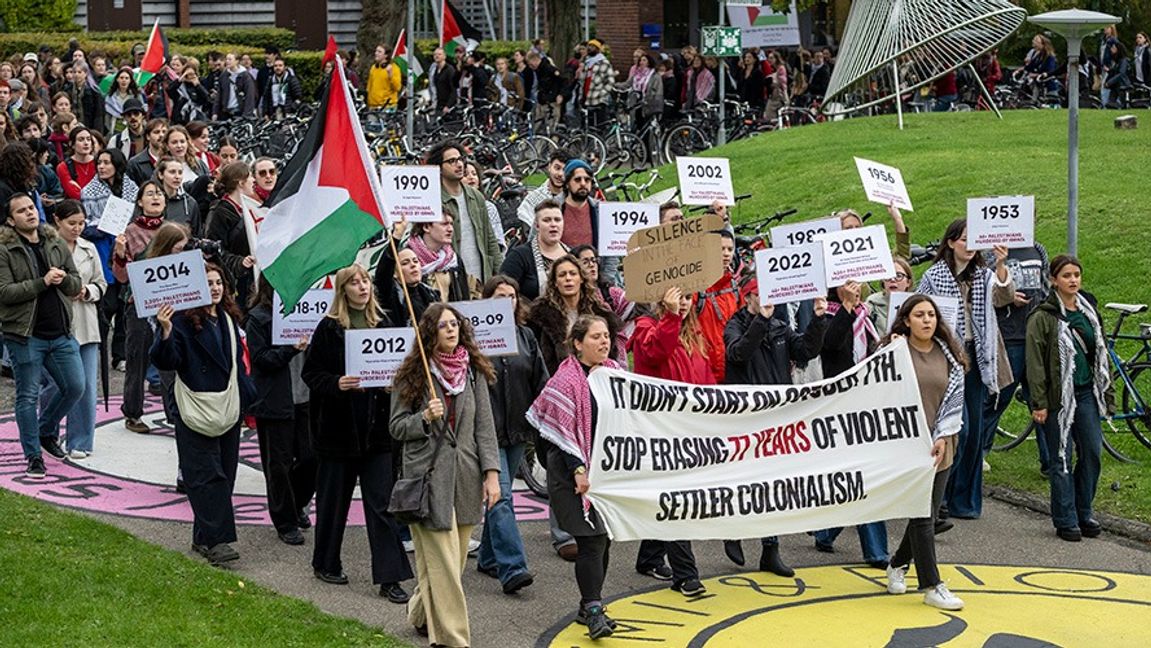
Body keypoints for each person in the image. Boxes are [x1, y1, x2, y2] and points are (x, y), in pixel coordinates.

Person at [391, 303, 501, 645]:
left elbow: (485, 427)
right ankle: (453, 639)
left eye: (455, 324)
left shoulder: (474, 372)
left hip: (466, 476)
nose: (451, 330)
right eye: (443, 326)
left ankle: (420, 613)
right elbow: (396, 427)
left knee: (451, 565)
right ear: (430, 332)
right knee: (443, 564)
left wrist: (492, 473)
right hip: (427, 478)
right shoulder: (411, 375)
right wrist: (423, 417)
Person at [302, 264, 413, 600]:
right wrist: (337, 383)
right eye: (355, 283)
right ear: (343, 290)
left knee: (381, 504)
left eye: (365, 281)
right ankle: (326, 563)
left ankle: (390, 577)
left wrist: (396, 384)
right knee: (333, 502)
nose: (363, 287)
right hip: (338, 431)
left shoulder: (386, 323)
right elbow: (312, 374)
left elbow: (400, 368)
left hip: (377, 431)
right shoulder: (329, 329)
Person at [722, 280, 827, 575]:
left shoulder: (780, 326)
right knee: (743, 481)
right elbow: (738, 353)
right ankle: (732, 530)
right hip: (745, 418)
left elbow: (806, 351)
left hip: (776, 418)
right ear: (748, 298)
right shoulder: (735, 325)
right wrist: (761, 321)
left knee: (772, 484)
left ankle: (771, 550)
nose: (768, 300)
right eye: (761, 295)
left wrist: (818, 320)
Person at [526, 315, 622, 639]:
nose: (604, 341)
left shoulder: (617, 375)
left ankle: (587, 606)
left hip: (606, 472)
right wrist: (576, 468)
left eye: (606, 335)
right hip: (572, 475)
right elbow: (556, 433)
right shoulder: (564, 381)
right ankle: (594, 611)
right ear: (578, 344)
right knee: (591, 541)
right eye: (596, 337)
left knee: (604, 540)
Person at [153, 261, 255, 565]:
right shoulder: (183, 323)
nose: (215, 288)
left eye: (219, 282)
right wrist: (166, 330)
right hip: (194, 408)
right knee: (206, 476)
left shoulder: (227, 318)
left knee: (226, 473)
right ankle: (217, 542)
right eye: (208, 282)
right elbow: (167, 361)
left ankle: (202, 536)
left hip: (228, 407)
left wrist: (248, 397)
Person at [918, 219, 1014, 520]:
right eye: (964, 240)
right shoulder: (934, 276)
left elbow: (1004, 297)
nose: (970, 246)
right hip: (947, 356)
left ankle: (964, 501)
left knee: (973, 436)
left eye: (974, 241)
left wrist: (1001, 265)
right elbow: (918, 309)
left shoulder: (983, 275)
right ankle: (938, 495)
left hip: (977, 355)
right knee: (960, 428)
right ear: (950, 243)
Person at [882, 294, 967, 610]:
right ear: (906, 320)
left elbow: (954, 401)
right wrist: (891, 354)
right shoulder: (892, 351)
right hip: (905, 445)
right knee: (922, 514)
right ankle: (932, 585)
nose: (927, 320)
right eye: (919, 315)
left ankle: (897, 564)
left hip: (940, 442)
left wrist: (944, 435)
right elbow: (876, 393)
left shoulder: (949, 357)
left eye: (931, 314)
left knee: (927, 513)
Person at [628, 286, 710, 594]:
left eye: (689, 297)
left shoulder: (696, 334)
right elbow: (654, 352)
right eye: (679, 297)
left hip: (690, 431)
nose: (684, 303)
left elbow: (707, 382)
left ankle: (649, 556)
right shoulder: (647, 327)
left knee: (671, 496)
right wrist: (671, 316)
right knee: (677, 501)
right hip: (660, 430)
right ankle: (686, 574)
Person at [0, 192, 85, 478]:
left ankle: (46, 430)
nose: (30, 213)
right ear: (11, 220)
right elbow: (4, 293)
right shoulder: (4, 249)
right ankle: (33, 456)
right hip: (25, 335)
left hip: (60, 332)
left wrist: (64, 281)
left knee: (75, 386)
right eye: (22, 211)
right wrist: (42, 282)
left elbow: (76, 283)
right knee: (27, 395)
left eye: (31, 208)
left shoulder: (54, 241)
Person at [1025, 255, 1109, 542]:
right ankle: (1065, 518)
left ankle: (1084, 510)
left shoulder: (1088, 312)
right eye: (1066, 276)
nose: (1073, 280)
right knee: (1061, 457)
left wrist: (1104, 392)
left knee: (1092, 453)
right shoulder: (1042, 316)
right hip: (1057, 397)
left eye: (1076, 275)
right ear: (1053, 280)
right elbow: (1034, 362)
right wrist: (1039, 402)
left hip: (1085, 393)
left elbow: (1100, 353)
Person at [476, 275, 546, 594]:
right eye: (500, 295)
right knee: (501, 494)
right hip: (485, 430)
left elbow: (539, 380)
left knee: (498, 497)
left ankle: (489, 558)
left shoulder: (526, 336)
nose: (508, 301)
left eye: (513, 296)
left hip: (517, 428)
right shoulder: (473, 338)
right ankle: (513, 567)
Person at [813, 279, 889, 566]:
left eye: (857, 283)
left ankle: (825, 531)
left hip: (868, 401)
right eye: (847, 283)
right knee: (864, 474)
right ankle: (877, 551)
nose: (854, 287)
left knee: (861, 472)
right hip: (840, 404)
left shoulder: (865, 316)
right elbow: (830, 345)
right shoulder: (830, 312)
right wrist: (845, 307)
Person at [37, 200, 104, 460]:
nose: (77, 228)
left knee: (86, 385)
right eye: (71, 223)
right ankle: (48, 431)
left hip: (85, 323)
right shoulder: (45, 249)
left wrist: (87, 291)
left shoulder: (90, 248)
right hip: (53, 325)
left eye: (81, 223)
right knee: (56, 383)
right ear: (57, 221)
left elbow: (101, 283)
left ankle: (81, 441)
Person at [982, 243, 1050, 476]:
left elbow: (1046, 286)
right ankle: (980, 452)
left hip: (1036, 337)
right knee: (998, 398)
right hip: (1009, 335)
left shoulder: (1038, 250)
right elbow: (984, 292)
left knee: (1041, 400)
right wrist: (1008, 297)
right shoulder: (991, 251)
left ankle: (1049, 463)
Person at [110, 180, 169, 433]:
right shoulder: (129, 232)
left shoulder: (174, 229)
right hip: (139, 304)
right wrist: (121, 253)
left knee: (172, 362)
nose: (155, 197)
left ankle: (176, 412)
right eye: (150, 194)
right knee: (137, 361)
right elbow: (120, 277)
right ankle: (132, 413)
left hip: (170, 305)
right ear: (140, 202)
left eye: (159, 193)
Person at [429, 143, 502, 287]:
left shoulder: (476, 196)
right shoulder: (434, 200)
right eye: (451, 161)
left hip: (481, 278)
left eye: (461, 159)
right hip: (451, 280)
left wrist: (500, 276)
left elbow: (490, 238)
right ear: (439, 168)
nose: (459, 164)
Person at [500, 199, 567, 300]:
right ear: (537, 225)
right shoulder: (519, 256)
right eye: (547, 220)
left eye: (557, 220)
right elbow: (502, 291)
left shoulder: (572, 255)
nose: (553, 224)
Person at [516, 148, 570, 228]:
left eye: (565, 170)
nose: (560, 174)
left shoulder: (573, 199)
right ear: (549, 167)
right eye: (557, 168)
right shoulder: (533, 199)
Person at [866, 256, 914, 335]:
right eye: (888, 275)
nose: (892, 279)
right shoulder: (872, 304)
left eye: (898, 276)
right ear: (883, 282)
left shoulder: (917, 304)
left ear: (908, 282)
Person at [156, 156, 201, 235]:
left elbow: (196, 235)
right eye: (172, 172)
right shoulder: (152, 200)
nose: (177, 177)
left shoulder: (190, 203)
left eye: (180, 172)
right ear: (161, 174)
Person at [579, 39, 614, 128]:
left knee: (599, 126)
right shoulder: (587, 63)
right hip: (586, 100)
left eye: (592, 47)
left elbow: (610, 81)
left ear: (598, 49)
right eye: (589, 46)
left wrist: (601, 94)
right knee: (587, 127)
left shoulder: (603, 62)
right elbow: (582, 81)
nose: (590, 48)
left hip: (598, 101)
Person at [55, 126, 97, 200]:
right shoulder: (63, 167)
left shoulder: (99, 162)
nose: (86, 143)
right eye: (81, 140)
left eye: (88, 139)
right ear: (72, 144)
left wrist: (80, 189)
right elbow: (74, 195)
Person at [213, 53, 257, 120]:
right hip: (226, 111)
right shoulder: (224, 75)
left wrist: (246, 115)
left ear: (237, 61)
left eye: (230, 59)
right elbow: (219, 95)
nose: (227, 61)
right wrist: (215, 112)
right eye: (226, 59)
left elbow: (250, 96)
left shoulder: (245, 76)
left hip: (239, 111)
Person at [125, 118, 168, 186]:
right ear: (148, 136)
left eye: (164, 132)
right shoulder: (135, 163)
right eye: (157, 132)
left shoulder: (174, 158)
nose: (161, 135)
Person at [167, 61, 212, 125]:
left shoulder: (201, 83)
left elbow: (208, 99)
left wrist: (197, 85)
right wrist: (181, 78)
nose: (190, 76)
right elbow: (169, 91)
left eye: (192, 74)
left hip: (196, 119)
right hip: (180, 119)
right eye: (188, 74)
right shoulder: (179, 85)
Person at [104, 67, 145, 132]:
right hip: (115, 129)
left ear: (130, 80)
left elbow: (142, 111)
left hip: (133, 129)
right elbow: (107, 116)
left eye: (126, 78)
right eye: (121, 78)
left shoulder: (136, 95)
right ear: (117, 79)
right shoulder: (110, 97)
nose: (124, 80)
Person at [367, 46, 403, 110]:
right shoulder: (373, 68)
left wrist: (390, 75)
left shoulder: (394, 68)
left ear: (386, 55)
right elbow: (369, 86)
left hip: (387, 106)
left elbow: (397, 87)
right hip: (373, 106)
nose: (376, 53)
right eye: (376, 51)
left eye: (379, 52)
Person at [429, 47, 459, 114]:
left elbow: (454, 89)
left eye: (439, 54)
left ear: (444, 56)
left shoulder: (450, 70)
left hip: (448, 106)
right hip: (439, 104)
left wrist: (448, 106)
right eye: (435, 54)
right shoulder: (435, 70)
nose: (437, 56)